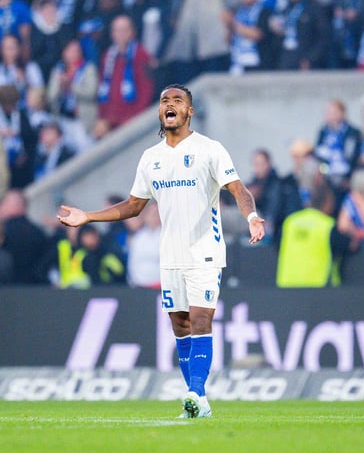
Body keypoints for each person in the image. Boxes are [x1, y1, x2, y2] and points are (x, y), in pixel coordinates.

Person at [57, 83, 265, 419]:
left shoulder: (209, 149)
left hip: (204, 251)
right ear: (160, 111)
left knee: (200, 319)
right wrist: (89, 216)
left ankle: (195, 393)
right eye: (164, 100)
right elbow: (134, 206)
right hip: (169, 255)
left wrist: (252, 217)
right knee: (180, 325)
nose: (169, 104)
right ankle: (199, 404)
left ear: (189, 111)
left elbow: (238, 190)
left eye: (177, 100)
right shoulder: (151, 159)